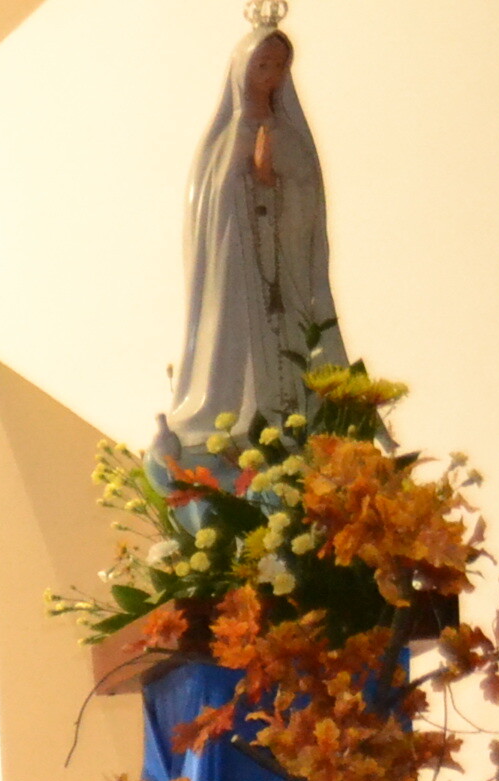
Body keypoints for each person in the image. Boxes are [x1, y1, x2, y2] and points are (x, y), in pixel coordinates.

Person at [157, 22, 342, 467]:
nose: (270, 75)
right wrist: (251, 182)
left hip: (283, 269)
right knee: (237, 346)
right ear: (242, 69)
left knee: (289, 344)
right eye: (262, 65)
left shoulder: (289, 135)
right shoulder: (224, 139)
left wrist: (273, 183)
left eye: (279, 66)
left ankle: (289, 426)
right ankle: (236, 424)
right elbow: (213, 212)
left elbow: (307, 201)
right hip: (238, 271)